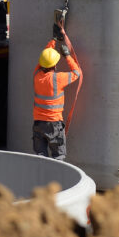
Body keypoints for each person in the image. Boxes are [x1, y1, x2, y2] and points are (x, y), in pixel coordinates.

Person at [32, 23, 82, 160]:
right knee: (58, 158)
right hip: (54, 124)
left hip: (38, 124)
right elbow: (76, 73)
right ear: (54, 64)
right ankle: (56, 181)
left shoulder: (36, 75)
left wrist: (53, 40)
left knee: (40, 158)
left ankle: (41, 180)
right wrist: (67, 56)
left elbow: (44, 57)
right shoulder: (57, 79)